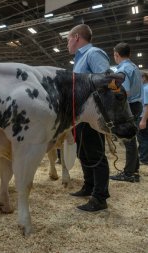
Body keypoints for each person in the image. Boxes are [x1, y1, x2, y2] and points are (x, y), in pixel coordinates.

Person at [67, 24, 110, 211]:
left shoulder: (93, 53)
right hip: (80, 115)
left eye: (68, 38)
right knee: (83, 152)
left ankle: (100, 198)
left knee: (96, 153)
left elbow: (106, 82)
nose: (67, 43)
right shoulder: (80, 58)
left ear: (76, 37)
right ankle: (89, 186)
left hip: (92, 114)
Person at [110, 42, 142, 183]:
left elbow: (125, 92)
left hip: (129, 106)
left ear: (117, 55)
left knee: (128, 140)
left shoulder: (122, 70)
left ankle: (128, 174)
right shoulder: (134, 67)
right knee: (132, 140)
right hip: (137, 105)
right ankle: (134, 170)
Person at [137, 72, 148, 165]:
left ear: (144, 78)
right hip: (145, 115)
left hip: (144, 116)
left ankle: (144, 158)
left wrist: (143, 120)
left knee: (143, 138)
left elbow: (146, 105)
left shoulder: (145, 88)